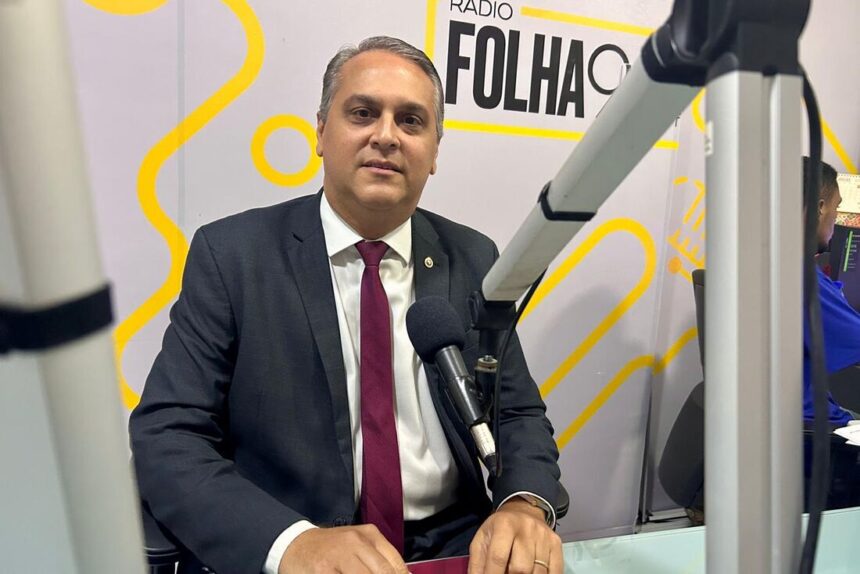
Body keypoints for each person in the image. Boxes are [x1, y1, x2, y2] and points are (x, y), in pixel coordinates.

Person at [130, 36, 563, 574]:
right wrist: (291, 543)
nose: (386, 135)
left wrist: (524, 503)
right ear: (320, 132)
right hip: (299, 543)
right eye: (362, 113)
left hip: (452, 547)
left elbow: (516, 412)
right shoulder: (233, 256)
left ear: (434, 152)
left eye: (411, 121)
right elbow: (168, 434)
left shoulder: (473, 257)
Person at [803, 156, 860, 427]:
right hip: (816, 428)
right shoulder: (802, 278)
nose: (836, 220)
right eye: (836, 209)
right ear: (820, 208)